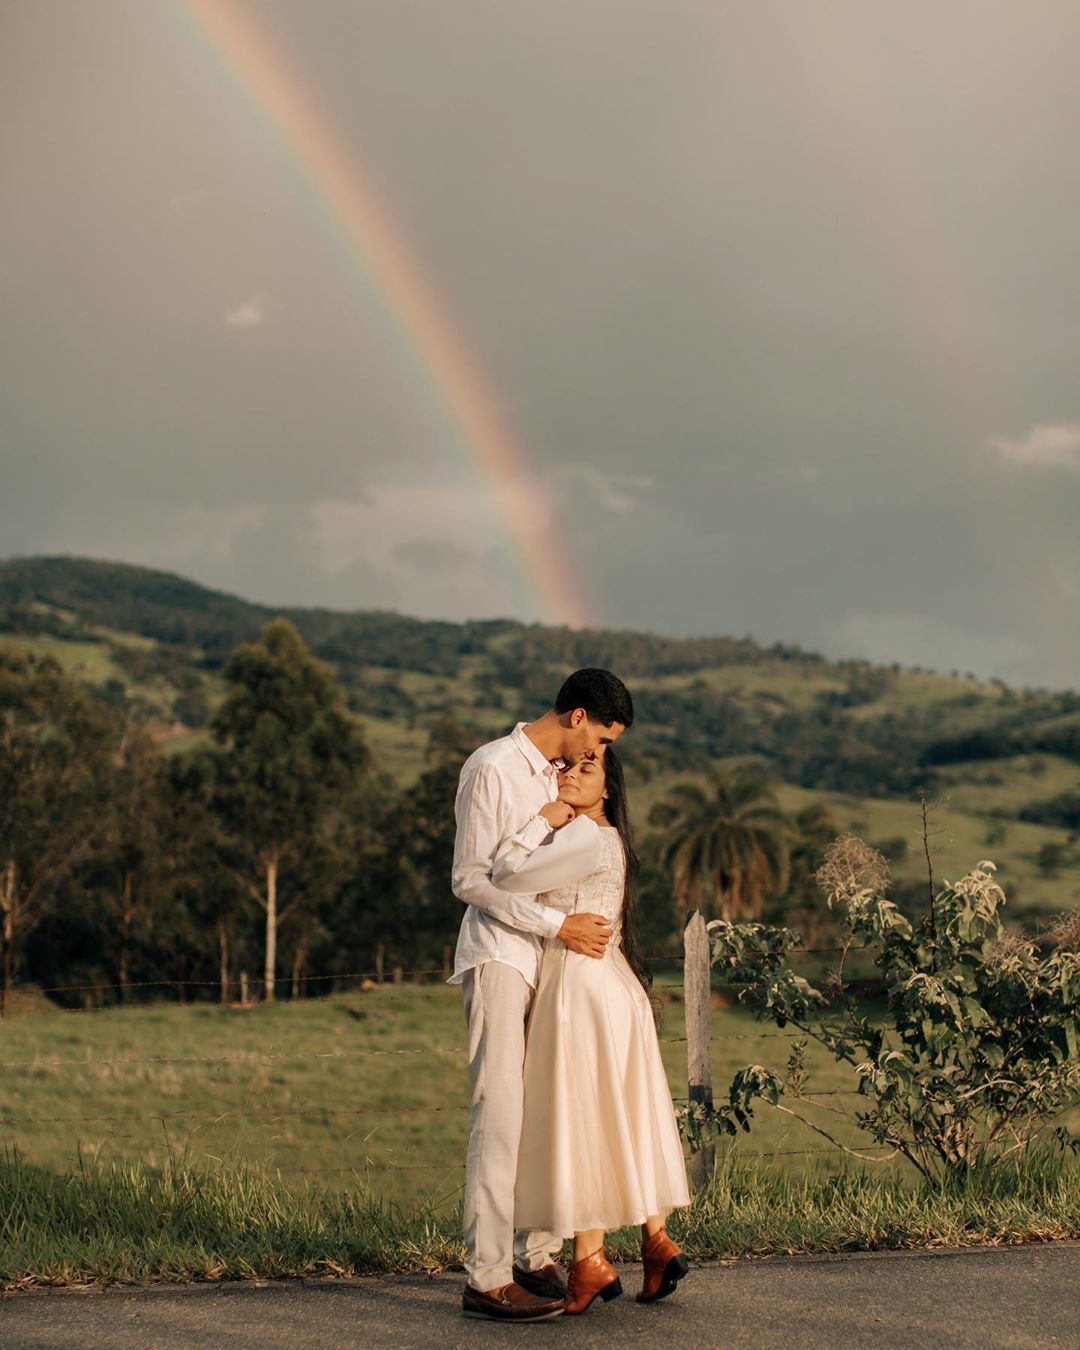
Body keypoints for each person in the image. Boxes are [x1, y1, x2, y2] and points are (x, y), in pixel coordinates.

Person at [449, 668, 634, 1323]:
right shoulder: (494, 768)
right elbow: (470, 880)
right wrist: (557, 924)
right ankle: (487, 1277)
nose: (601, 755)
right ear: (578, 716)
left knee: (544, 1115)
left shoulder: (559, 780)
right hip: (502, 960)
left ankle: (537, 1255)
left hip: (553, 968)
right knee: (499, 1117)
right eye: (604, 739)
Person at [491, 748, 691, 1315]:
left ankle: (590, 1260)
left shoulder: (581, 837)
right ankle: (653, 1241)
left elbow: (503, 875)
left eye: (586, 770)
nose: (569, 775)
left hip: (579, 989)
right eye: (566, 767)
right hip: (614, 984)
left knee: (583, 1118)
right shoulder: (610, 840)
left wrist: (542, 818)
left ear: (607, 790)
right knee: (623, 1111)